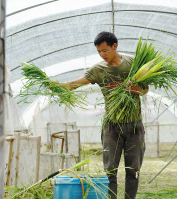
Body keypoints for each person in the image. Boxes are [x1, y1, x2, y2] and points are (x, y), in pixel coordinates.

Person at [52, 31, 148, 199]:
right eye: (99, 52)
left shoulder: (132, 64)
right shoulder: (98, 70)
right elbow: (75, 84)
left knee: (133, 170)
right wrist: (56, 85)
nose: (102, 55)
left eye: (105, 50)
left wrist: (132, 88)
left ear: (115, 46)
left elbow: (145, 90)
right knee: (110, 170)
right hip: (112, 126)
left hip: (134, 125)